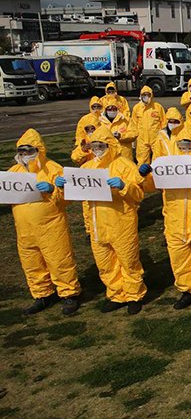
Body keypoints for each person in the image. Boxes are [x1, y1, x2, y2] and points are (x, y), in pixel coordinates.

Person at [56, 126, 147, 315]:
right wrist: (63, 187)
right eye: (94, 144)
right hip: (97, 225)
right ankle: (116, 295)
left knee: (128, 261)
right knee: (106, 265)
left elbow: (138, 194)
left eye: (101, 144)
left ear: (110, 144)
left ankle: (134, 295)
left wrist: (124, 186)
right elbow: (76, 197)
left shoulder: (124, 164)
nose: (97, 148)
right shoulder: (86, 168)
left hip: (121, 223)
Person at [138, 126, 191, 310]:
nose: (185, 148)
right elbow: (151, 186)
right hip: (175, 219)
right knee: (179, 258)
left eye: (189, 144)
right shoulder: (166, 164)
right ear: (176, 145)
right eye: (181, 145)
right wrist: (144, 175)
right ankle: (187, 291)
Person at [11, 129, 81, 316]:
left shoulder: (53, 169)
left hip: (51, 226)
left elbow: (68, 198)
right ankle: (42, 294)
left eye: (28, 150)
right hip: (25, 229)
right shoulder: (13, 172)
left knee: (59, 260)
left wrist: (53, 189)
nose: (25, 155)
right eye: (21, 151)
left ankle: (69, 293)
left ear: (38, 149)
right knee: (32, 262)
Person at [131, 86, 164, 164]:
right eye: (144, 95)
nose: (146, 97)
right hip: (141, 139)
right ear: (141, 96)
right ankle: (143, 176)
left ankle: (156, 175)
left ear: (151, 95)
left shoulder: (158, 107)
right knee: (142, 161)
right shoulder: (137, 108)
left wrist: (162, 135)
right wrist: (134, 140)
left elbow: (163, 122)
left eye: (148, 95)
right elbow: (134, 124)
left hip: (156, 138)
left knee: (158, 160)